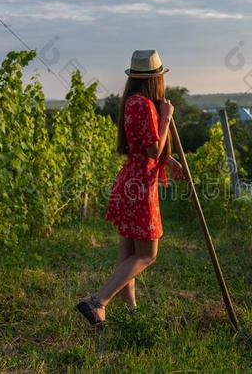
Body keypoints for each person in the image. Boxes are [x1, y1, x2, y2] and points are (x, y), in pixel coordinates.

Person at [76, 50, 186, 325]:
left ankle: (131, 314)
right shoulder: (144, 106)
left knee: (128, 255)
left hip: (130, 180)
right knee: (148, 254)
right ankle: (97, 301)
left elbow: (142, 147)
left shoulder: (133, 102)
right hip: (140, 186)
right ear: (155, 78)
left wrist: (169, 160)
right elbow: (151, 148)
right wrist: (167, 119)